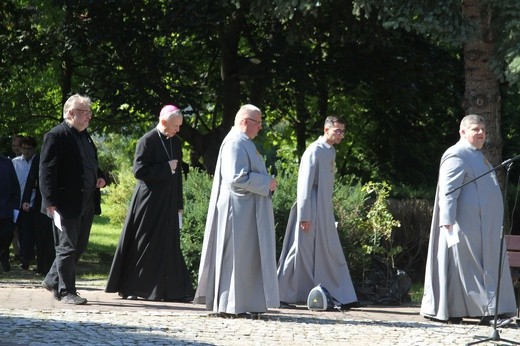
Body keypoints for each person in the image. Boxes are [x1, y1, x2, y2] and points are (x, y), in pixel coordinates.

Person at [420, 114, 517, 326]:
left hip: (484, 227)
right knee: (468, 269)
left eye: (483, 129)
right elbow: (448, 191)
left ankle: (483, 309)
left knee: (471, 268)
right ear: (462, 132)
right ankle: (483, 311)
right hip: (466, 225)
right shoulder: (457, 154)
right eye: (475, 129)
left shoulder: (477, 155)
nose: (481, 133)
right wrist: (447, 222)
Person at [193, 104, 279, 317]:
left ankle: (241, 303)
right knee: (235, 257)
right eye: (258, 122)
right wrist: (266, 182)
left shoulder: (244, 142)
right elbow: (236, 177)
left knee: (243, 258)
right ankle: (230, 304)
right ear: (245, 122)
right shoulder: (234, 143)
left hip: (245, 208)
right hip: (236, 208)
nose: (260, 127)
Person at [105, 105, 193, 301]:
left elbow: (177, 177)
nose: (178, 130)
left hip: (169, 202)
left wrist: (179, 204)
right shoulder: (147, 140)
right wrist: (165, 168)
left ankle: (171, 290)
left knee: (168, 245)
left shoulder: (175, 143)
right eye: (175, 126)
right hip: (149, 202)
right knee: (143, 243)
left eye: (179, 126)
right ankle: (134, 288)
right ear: (163, 122)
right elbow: (139, 171)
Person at [277, 116, 358, 309]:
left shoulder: (330, 152)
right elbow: (304, 185)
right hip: (312, 207)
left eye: (343, 131)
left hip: (323, 208)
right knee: (300, 250)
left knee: (327, 250)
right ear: (326, 129)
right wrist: (305, 215)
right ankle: (280, 294)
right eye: (337, 131)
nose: (341, 135)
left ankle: (336, 294)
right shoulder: (314, 150)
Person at [39, 93, 106, 305]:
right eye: (84, 112)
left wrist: (101, 177)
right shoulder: (56, 135)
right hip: (64, 202)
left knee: (79, 245)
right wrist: (49, 202)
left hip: (85, 201)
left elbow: (91, 163)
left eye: (89, 112)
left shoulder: (85, 136)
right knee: (67, 247)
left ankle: (52, 279)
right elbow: (46, 171)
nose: (89, 117)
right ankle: (67, 291)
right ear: (70, 113)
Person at [19, 137, 55, 275]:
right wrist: (26, 199)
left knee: (52, 236)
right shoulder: (39, 158)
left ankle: (49, 265)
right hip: (41, 201)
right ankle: (42, 265)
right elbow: (31, 179)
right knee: (40, 235)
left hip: (56, 201)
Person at [12, 136, 38, 270]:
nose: (26, 151)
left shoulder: (37, 162)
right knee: (20, 230)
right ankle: (25, 253)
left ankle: (25, 258)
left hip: (32, 202)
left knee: (29, 230)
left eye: (29, 149)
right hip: (17, 202)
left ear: (34, 150)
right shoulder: (15, 162)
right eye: (24, 148)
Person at [0, 155, 20, 272]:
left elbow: (15, 187)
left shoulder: (7, 163)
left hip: (6, 208)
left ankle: (4, 253)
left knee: (7, 234)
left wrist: (15, 207)